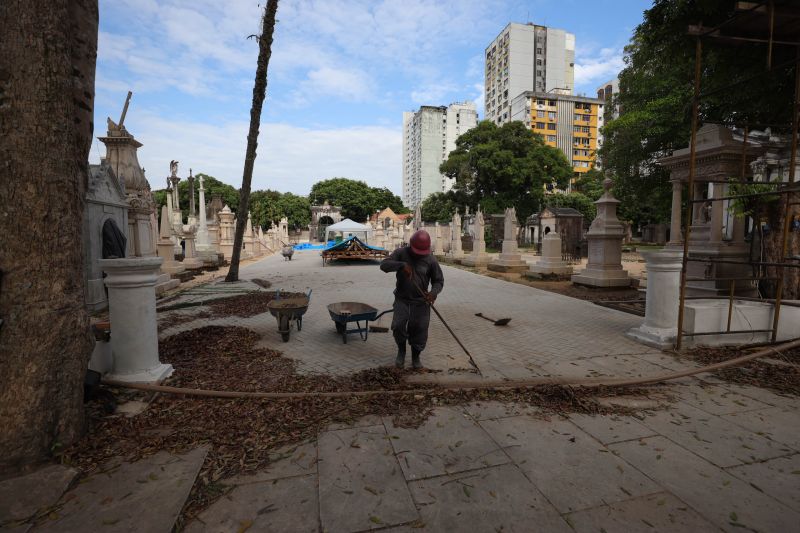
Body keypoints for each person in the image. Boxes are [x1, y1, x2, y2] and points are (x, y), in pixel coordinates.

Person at [380, 230, 444, 369]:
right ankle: (401, 352)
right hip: (402, 299)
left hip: (421, 302)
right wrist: (401, 265)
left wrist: (433, 293)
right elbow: (383, 265)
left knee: (420, 329)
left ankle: (416, 357)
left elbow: (438, 281)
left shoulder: (431, 259)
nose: (418, 255)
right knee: (398, 326)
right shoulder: (401, 253)